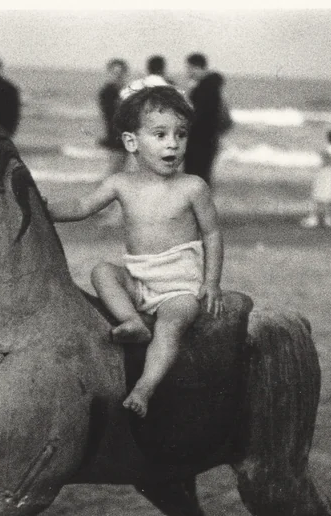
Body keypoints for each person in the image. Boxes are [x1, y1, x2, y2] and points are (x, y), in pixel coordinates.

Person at [47, 85, 224, 418]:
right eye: (160, 134)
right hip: (138, 281)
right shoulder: (121, 183)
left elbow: (213, 234)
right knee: (102, 271)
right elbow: (83, 206)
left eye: (181, 134)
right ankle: (132, 321)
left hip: (179, 288)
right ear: (132, 143)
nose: (173, 143)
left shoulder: (193, 187)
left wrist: (211, 283)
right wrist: (44, 208)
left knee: (171, 325)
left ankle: (145, 387)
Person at [182, 52, 227, 186]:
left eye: (188, 68)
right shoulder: (211, 86)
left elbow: (199, 116)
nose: (187, 72)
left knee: (196, 177)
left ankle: (198, 206)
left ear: (196, 67)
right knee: (202, 177)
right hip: (208, 140)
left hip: (200, 141)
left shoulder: (204, 88)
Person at [302, 128, 331, 228]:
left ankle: (314, 218)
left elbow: (319, 163)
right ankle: (329, 218)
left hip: (325, 174)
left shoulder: (324, 151)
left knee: (319, 196)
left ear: (328, 139)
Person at [98, 58, 130, 175]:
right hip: (115, 138)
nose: (118, 76)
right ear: (109, 73)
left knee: (119, 173)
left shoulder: (123, 92)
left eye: (121, 73)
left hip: (123, 138)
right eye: (115, 73)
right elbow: (112, 116)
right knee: (114, 174)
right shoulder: (108, 92)